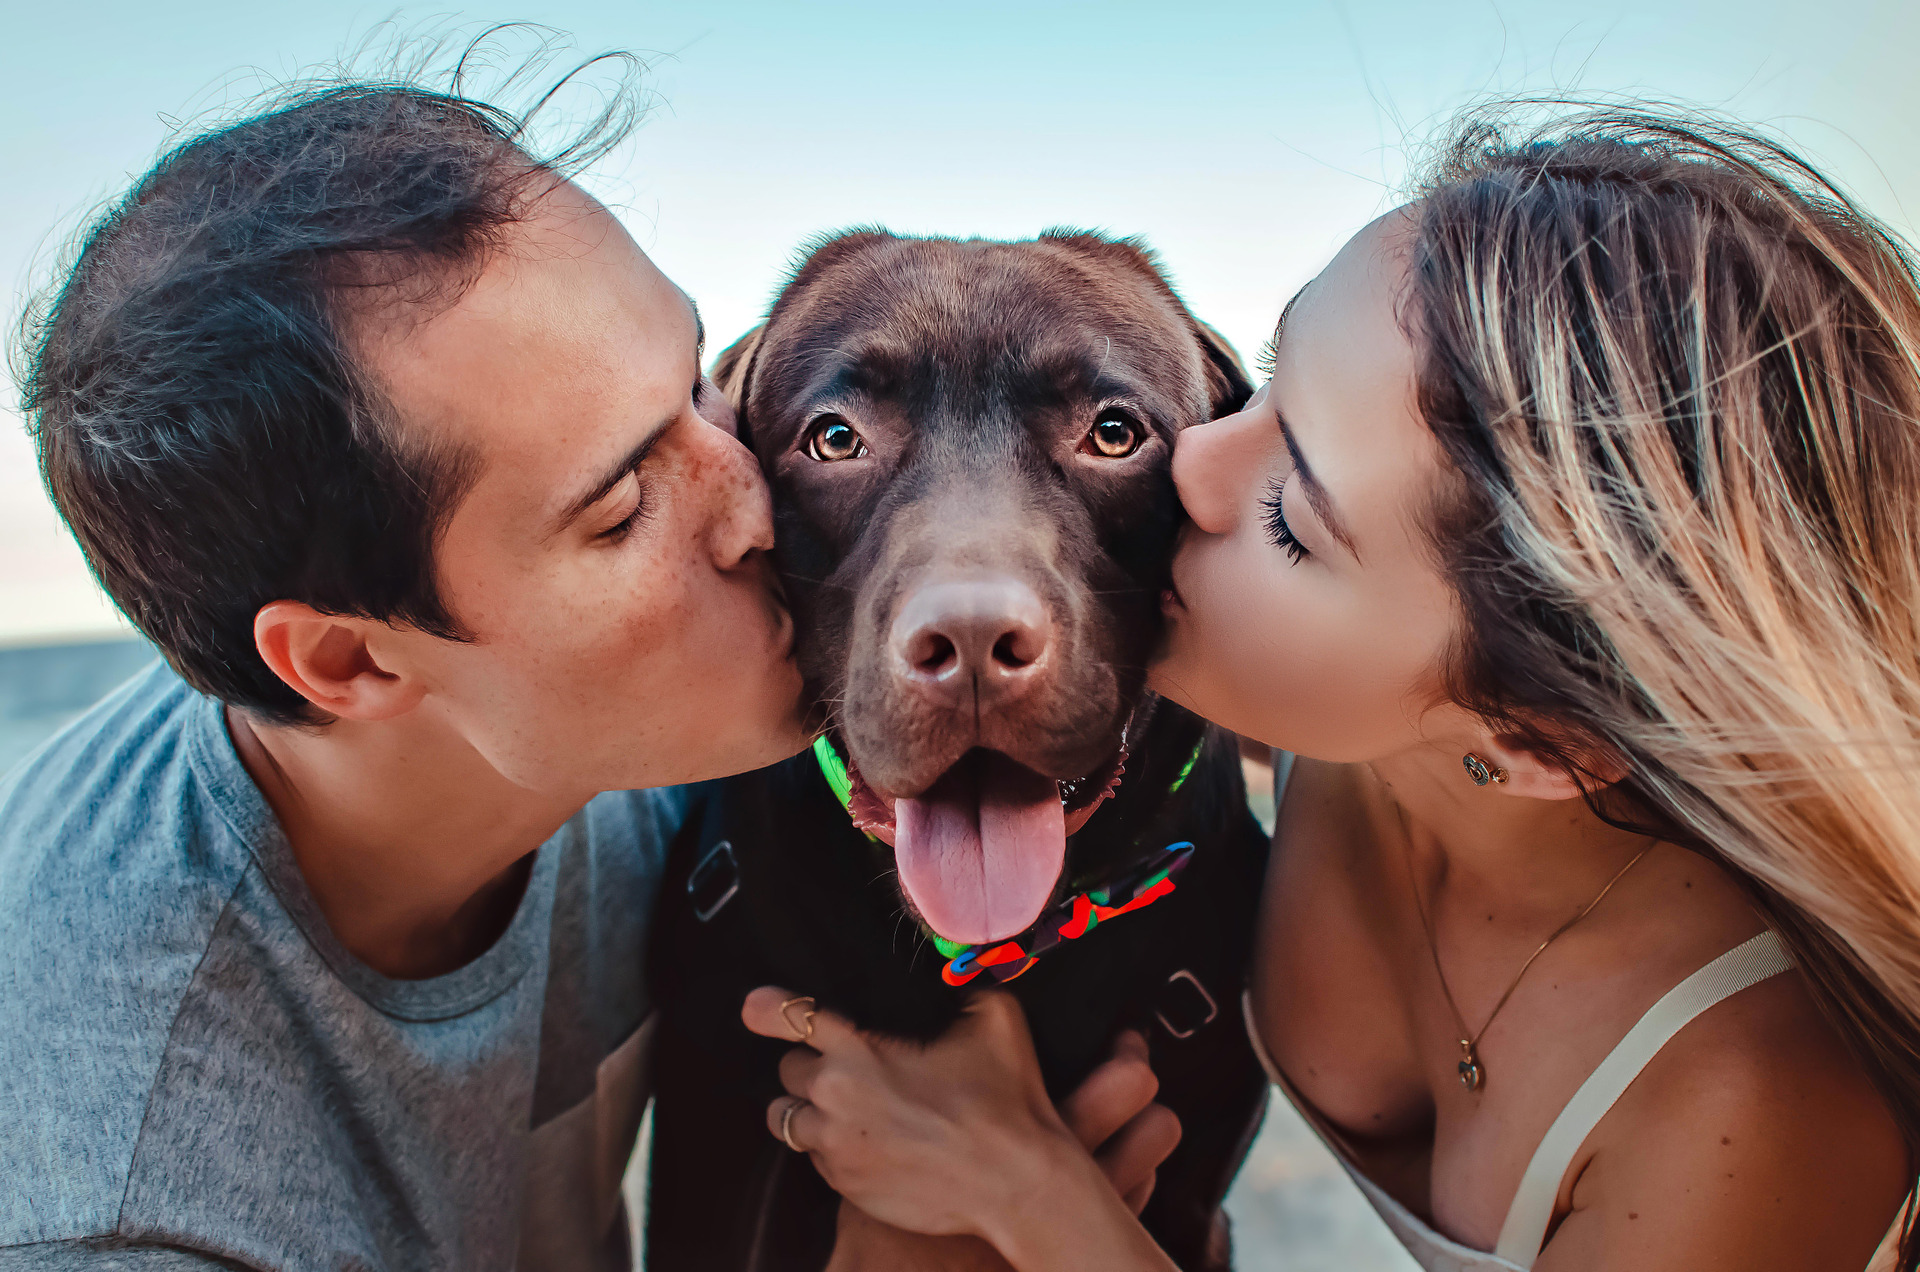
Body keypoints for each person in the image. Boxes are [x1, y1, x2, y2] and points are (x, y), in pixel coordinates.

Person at [743, 107, 1920, 1271]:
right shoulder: (1353, 728)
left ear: (1539, 734)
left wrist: (1033, 1199)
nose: (1192, 456)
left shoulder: (1759, 1112)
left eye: (1293, 513)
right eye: (1267, 390)